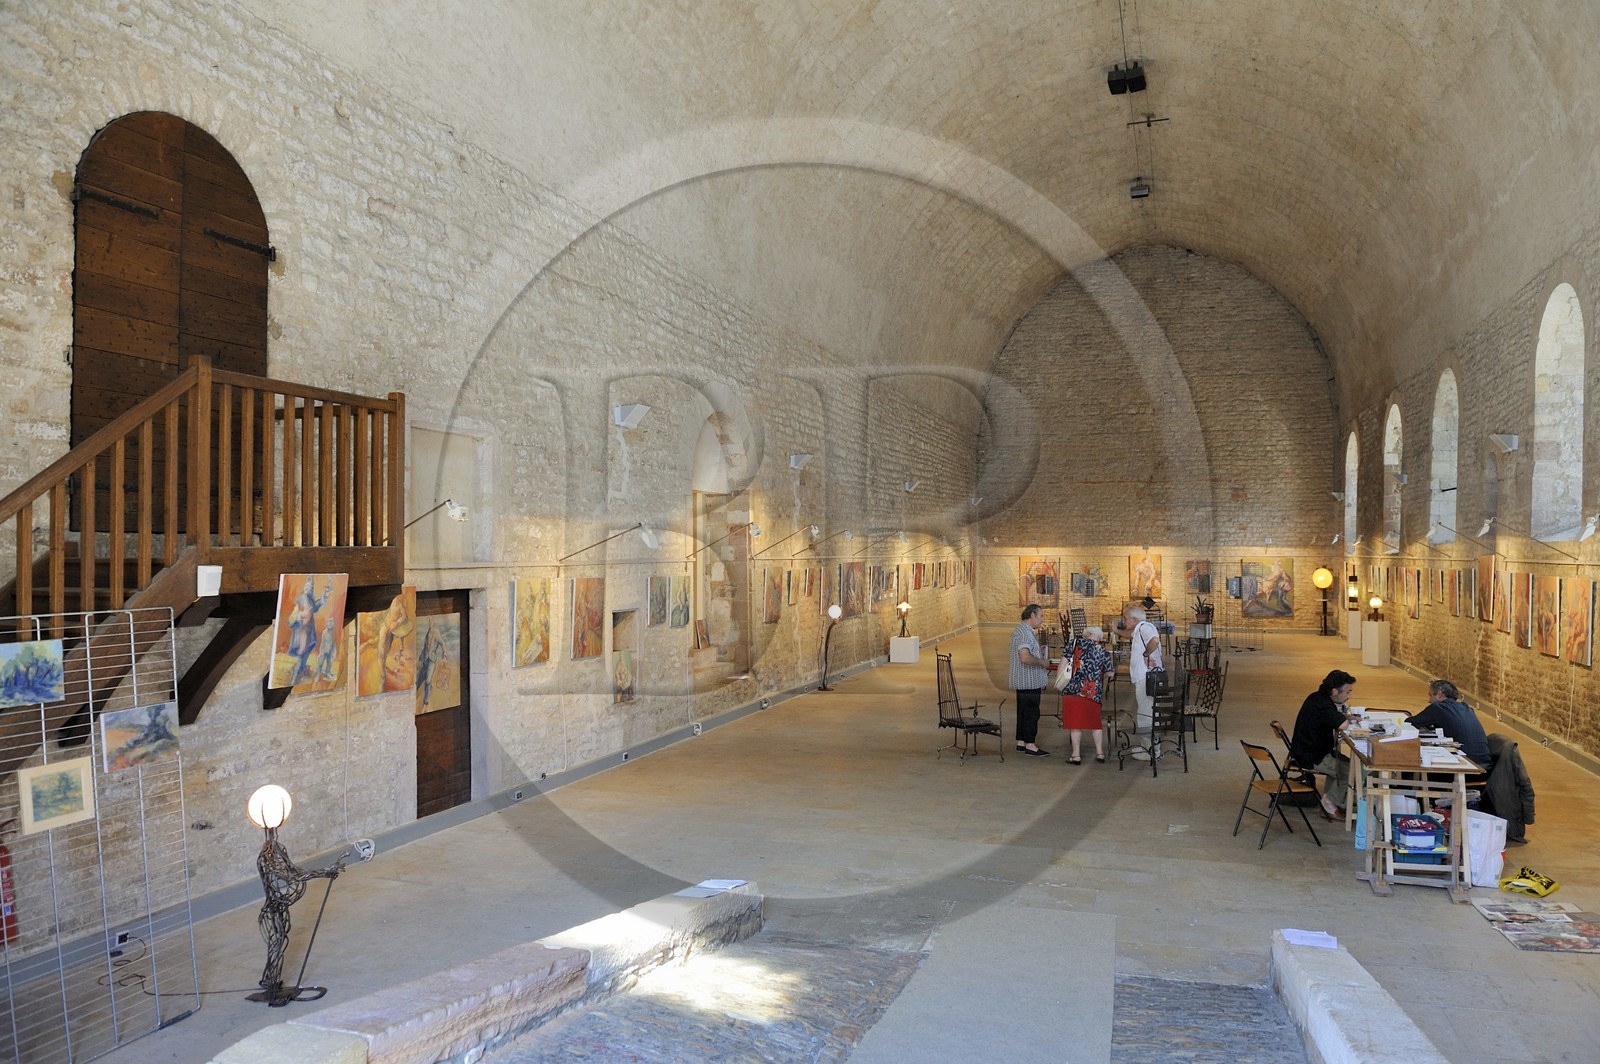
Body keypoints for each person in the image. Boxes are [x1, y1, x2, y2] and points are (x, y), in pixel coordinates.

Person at [254, 811, 345, 1005]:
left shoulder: (278, 850)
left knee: (279, 940)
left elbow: (294, 870)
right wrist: (323, 872)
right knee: (277, 943)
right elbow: (291, 876)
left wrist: (325, 871)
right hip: (273, 908)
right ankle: (272, 992)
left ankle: (269, 980)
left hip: (281, 906)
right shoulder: (266, 857)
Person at [1288, 669, 1356, 819]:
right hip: (1311, 756)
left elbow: (1333, 718)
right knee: (1351, 771)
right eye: (1347, 692)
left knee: (1346, 763)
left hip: (1309, 750)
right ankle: (1329, 804)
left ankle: (1332, 800)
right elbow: (1343, 725)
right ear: (1334, 691)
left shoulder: (1317, 697)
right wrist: (1346, 718)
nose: (1349, 696)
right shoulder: (1323, 705)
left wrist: (1344, 716)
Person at [1058, 626, 1113, 763]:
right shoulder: (1103, 651)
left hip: (1072, 689)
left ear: (1086, 635)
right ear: (1099, 638)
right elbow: (1110, 673)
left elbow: (1063, 664)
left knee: (1075, 723)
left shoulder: (1074, 644)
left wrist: (1059, 683)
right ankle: (1100, 753)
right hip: (1092, 692)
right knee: (1095, 723)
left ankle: (1076, 755)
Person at [1406, 679, 1491, 767]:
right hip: (1484, 764)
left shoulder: (1438, 707)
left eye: (1430, 695)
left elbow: (1410, 723)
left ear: (1439, 694)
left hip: (1467, 765)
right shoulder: (1467, 708)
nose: (1429, 701)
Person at [1009, 604, 1050, 755]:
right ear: (1032, 615)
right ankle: (1030, 744)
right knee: (1031, 713)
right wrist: (1042, 662)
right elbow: (1025, 657)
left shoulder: (1021, 630)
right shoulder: (1025, 632)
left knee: (1023, 711)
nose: (1042, 619)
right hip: (1029, 680)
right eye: (1041, 616)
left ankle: (1022, 741)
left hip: (1023, 680)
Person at [1122, 603, 1162, 738]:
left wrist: (1146, 654)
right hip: (1145, 677)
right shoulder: (1139, 629)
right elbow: (1128, 634)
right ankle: (1152, 745)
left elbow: (1154, 641)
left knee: (1146, 713)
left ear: (1134, 620)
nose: (1124, 621)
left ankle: (1148, 747)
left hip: (1147, 678)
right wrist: (1116, 631)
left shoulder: (1145, 627)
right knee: (1148, 711)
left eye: (1126, 619)